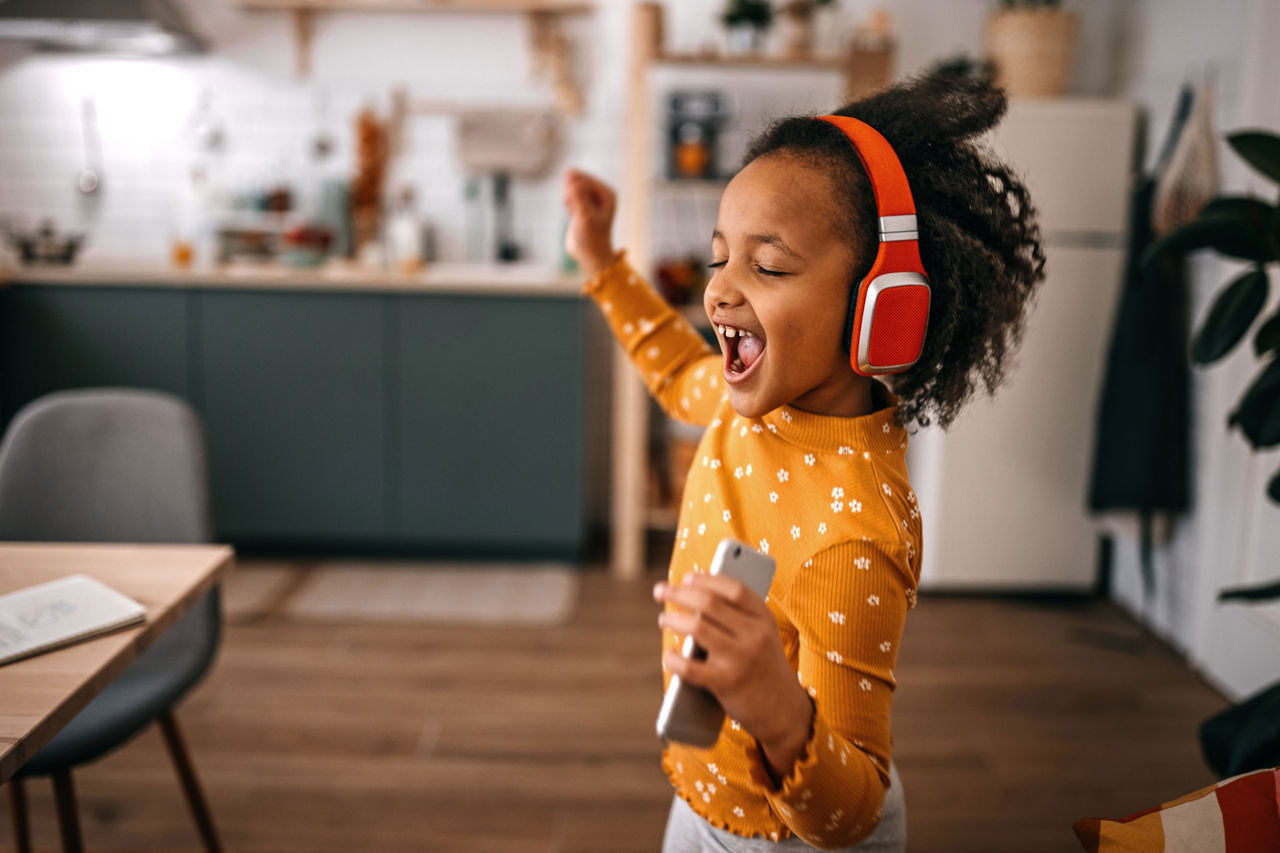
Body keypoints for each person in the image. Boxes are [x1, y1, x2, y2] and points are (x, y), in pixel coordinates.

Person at [561, 72, 1045, 852]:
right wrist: (600, 261)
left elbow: (847, 814)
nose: (719, 292)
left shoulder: (857, 536)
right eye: (721, 258)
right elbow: (669, 366)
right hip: (702, 800)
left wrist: (775, 707)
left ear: (880, 303)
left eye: (769, 266)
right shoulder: (743, 398)